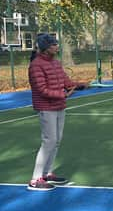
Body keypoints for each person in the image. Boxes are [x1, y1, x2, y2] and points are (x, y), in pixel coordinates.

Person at [27, 34, 87, 191]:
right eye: (54, 45)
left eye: (56, 44)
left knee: (56, 140)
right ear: (46, 48)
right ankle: (35, 179)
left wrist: (78, 85)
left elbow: (65, 81)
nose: (57, 46)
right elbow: (41, 89)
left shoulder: (55, 62)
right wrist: (62, 94)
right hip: (46, 107)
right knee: (49, 141)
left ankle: (47, 173)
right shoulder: (36, 65)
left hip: (60, 106)